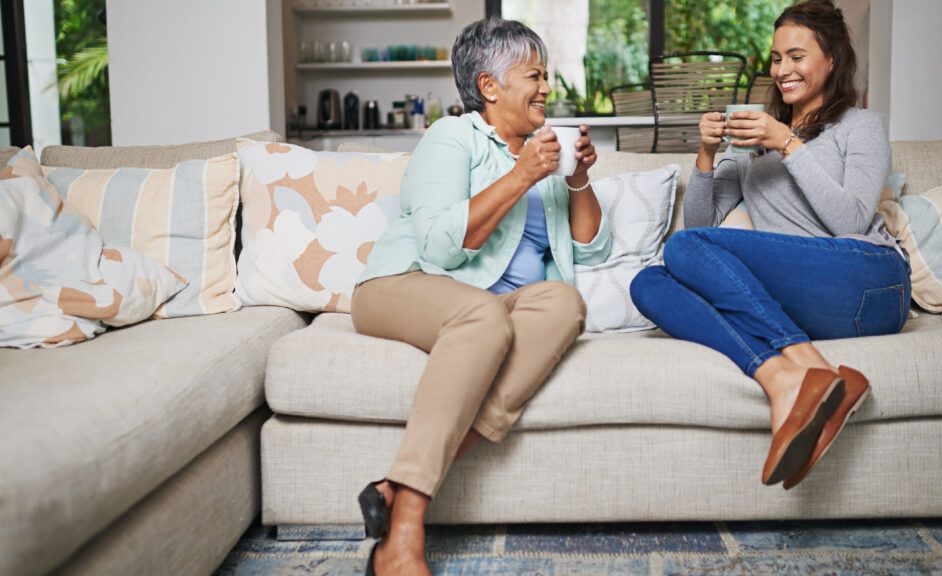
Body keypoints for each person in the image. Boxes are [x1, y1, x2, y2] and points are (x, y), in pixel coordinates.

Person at [350, 17, 611, 576]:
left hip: (494, 307)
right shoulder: (453, 137)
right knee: (483, 315)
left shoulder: (544, 158)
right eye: (534, 76)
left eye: (546, 76)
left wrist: (576, 179)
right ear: (490, 86)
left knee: (565, 303)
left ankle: (395, 485)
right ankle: (406, 528)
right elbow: (442, 249)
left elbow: (590, 253)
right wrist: (520, 175)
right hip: (403, 284)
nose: (547, 88)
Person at [630, 0, 910, 490]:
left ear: (833, 58)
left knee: (681, 250)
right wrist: (706, 154)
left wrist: (788, 143)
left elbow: (849, 218)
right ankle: (786, 379)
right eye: (777, 58)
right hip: (805, 298)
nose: (783, 70)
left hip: (870, 279)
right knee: (650, 281)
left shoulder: (859, 127)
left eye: (797, 56)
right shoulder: (756, 141)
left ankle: (807, 369)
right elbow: (702, 227)